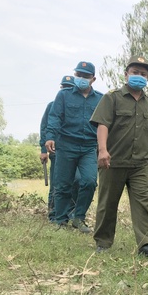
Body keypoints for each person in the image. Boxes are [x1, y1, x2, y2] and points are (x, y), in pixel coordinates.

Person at [90, 55, 148, 258]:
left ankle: (147, 244)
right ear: (126, 74)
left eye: (143, 74)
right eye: (135, 72)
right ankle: (103, 242)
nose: (139, 76)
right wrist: (103, 150)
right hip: (112, 161)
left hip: (142, 163)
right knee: (108, 203)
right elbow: (102, 124)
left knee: (144, 202)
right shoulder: (112, 97)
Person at [45, 61, 103, 233]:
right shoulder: (63, 95)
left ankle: (79, 218)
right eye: (78, 75)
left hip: (88, 147)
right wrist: (50, 137)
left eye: (85, 76)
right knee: (63, 185)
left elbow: (104, 124)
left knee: (89, 181)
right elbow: (55, 116)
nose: (81, 79)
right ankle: (60, 220)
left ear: (93, 79)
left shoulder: (100, 99)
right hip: (66, 144)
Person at [40, 74, 75, 222]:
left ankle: (69, 213)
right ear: (61, 89)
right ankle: (53, 212)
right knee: (57, 183)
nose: (66, 90)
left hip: (74, 151)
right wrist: (43, 150)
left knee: (74, 183)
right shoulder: (52, 105)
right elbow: (44, 128)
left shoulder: (76, 107)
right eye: (64, 87)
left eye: (70, 88)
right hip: (56, 150)